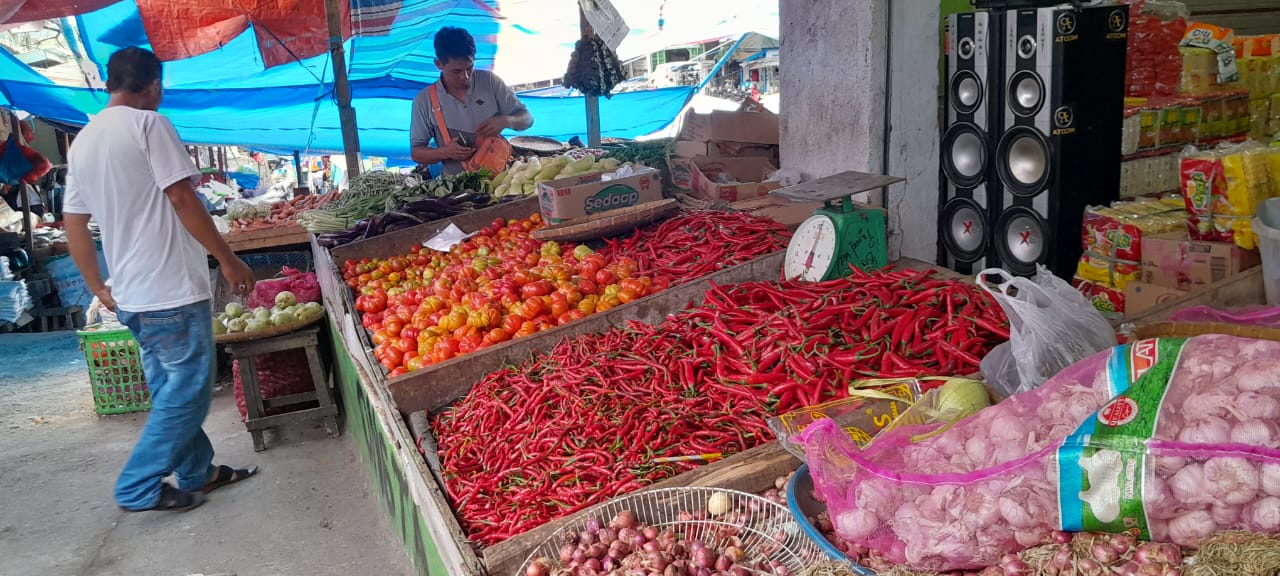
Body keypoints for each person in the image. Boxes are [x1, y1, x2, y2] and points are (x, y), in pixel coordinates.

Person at [62, 47, 259, 513]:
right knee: (188, 394)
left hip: (130, 293)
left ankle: (198, 472)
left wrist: (97, 285)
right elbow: (182, 198)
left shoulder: (84, 141)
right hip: (169, 288)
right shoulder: (150, 124)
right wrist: (227, 259)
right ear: (153, 85)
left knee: (172, 389)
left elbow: (73, 222)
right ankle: (136, 486)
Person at [410, 26, 533, 175]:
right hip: (457, 186)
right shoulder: (424, 101)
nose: (465, 76)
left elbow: (527, 119)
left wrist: (507, 120)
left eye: (470, 68)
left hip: (502, 179)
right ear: (439, 64)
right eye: (456, 71)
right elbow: (417, 153)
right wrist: (445, 152)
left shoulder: (489, 82)